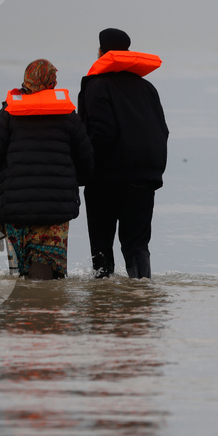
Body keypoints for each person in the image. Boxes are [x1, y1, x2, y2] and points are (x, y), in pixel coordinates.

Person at [0, 60, 94, 281]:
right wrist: (72, 183)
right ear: (52, 82)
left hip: (15, 208)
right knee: (46, 272)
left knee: (21, 276)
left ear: (26, 80)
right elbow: (86, 159)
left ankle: (27, 299)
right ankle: (43, 297)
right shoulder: (68, 115)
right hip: (55, 209)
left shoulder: (9, 114)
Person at [78, 28, 169, 279]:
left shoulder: (97, 85)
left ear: (100, 52)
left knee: (102, 247)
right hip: (144, 176)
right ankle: (141, 293)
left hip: (106, 178)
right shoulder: (147, 88)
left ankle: (102, 296)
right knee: (137, 245)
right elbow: (163, 130)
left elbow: (101, 133)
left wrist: (82, 168)